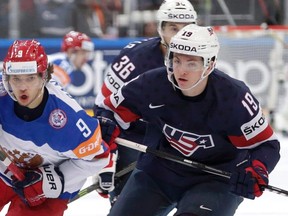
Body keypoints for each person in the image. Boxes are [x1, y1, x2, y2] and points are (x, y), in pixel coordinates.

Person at [97, 24, 281, 215]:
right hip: (158, 171)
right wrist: (106, 125)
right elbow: (109, 111)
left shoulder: (233, 98)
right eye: (177, 60)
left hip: (215, 179)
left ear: (209, 64)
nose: (181, 71)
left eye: (191, 63)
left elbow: (267, 145)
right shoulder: (152, 84)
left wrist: (258, 168)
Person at [93, 0, 198, 205]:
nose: (180, 36)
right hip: (134, 139)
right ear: (160, 29)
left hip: (179, 143)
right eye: (173, 28)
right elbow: (103, 108)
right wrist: (104, 160)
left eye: (187, 29)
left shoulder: (204, 60)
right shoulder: (133, 59)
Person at [0, 39, 118, 215]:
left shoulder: (70, 120)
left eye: (30, 78)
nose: (22, 87)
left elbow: (98, 157)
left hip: (48, 190)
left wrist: (57, 179)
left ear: (44, 77)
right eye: (16, 79)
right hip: (6, 170)